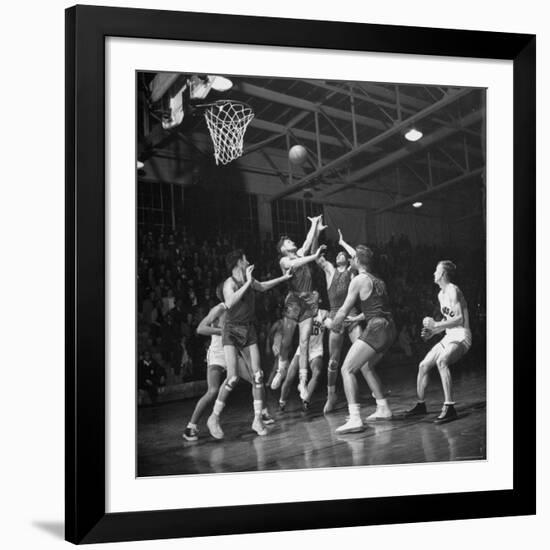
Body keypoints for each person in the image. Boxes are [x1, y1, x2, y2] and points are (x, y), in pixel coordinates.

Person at [206, 250, 292, 439]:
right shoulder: (230, 283)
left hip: (248, 329)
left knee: (258, 375)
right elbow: (230, 302)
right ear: (238, 262)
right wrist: (247, 282)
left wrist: (283, 278)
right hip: (232, 330)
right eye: (245, 258)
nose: (248, 260)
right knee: (232, 377)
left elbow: (261, 286)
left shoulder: (248, 278)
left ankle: (257, 419)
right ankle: (214, 417)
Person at [183, 285, 273, 441]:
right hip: (218, 353)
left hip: (232, 352)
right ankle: (191, 427)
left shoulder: (239, 310)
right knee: (212, 391)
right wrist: (222, 331)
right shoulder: (219, 309)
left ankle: (261, 414)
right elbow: (200, 329)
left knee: (256, 379)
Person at [330, 245, 396, 434]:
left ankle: (355, 418)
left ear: (358, 261)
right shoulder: (378, 281)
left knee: (347, 369)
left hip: (376, 328)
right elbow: (377, 307)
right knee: (366, 366)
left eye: (352, 258)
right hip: (390, 328)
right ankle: (383, 407)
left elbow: (343, 309)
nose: (351, 260)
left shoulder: (358, 279)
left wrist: (333, 323)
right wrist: (358, 318)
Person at [406, 260, 472, 423]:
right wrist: (433, 332)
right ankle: (421, 404)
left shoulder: (453, 290)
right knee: (423, 365)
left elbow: (458, 319)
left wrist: (436, 325)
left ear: (443, 274)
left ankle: (450, 407)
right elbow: (447, 319)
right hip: (449, 335)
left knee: (442, 361)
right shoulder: (441, 294)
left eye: (436, 270)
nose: (434, 273)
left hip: (462, 335)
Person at [271, 216, 326, 399]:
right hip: (294, 300)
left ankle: (302, 383)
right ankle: (281, 369)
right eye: (288, 242)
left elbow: (308, 240)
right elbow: (295, 263)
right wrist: (314, 256)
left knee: (304, 343)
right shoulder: (284, 261)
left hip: (309, 300)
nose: (291, 241)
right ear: (283, 249)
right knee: (287, 342)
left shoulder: (301, 253)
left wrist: (313, 224)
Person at [314, 228, 364, 413]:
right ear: (336, 260)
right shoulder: (330, 271)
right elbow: (317, 258)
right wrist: (316, 240)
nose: (341, 254)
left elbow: (357, 255)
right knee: (333, 362)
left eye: (344, 254)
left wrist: (343, 243)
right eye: (339, 253)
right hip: (336, 316)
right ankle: (331, 395)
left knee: (362, 355)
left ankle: (372, 390)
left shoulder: (351, 271)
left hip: (351, 314)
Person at [279, 301, 328, 411]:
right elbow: (288, 326)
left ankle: (306, 400)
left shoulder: (323, 314)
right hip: (302, 349)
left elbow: (335, 318)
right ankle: (282, 401)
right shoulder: (302, 314)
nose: (313, 305)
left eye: (315, 302)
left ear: (318, 302)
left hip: (316, 350)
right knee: (289, 378)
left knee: (317, 372)